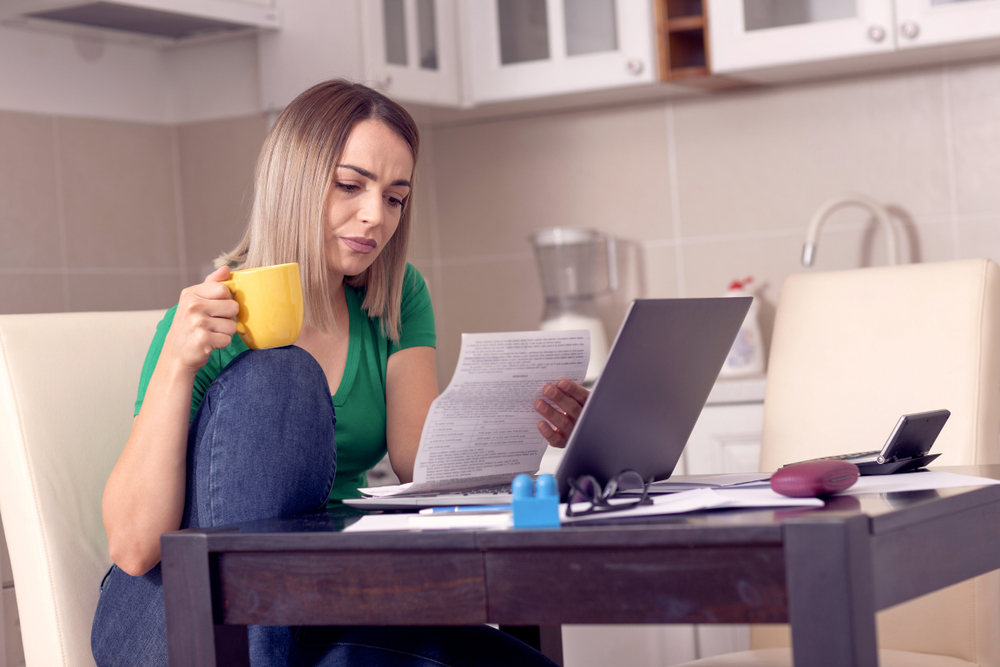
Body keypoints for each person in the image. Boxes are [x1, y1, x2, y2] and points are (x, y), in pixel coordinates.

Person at [90, 79, 590, 667]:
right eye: (350, 186)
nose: (376, 217)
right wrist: (177, 364)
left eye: (396, 197)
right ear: (294, 182)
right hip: (175, 618)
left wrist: (528, 420)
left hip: (327, 603)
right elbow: (132, 548)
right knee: (282, 376)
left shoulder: (395, 295)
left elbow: (421, 464)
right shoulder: (211, 315)